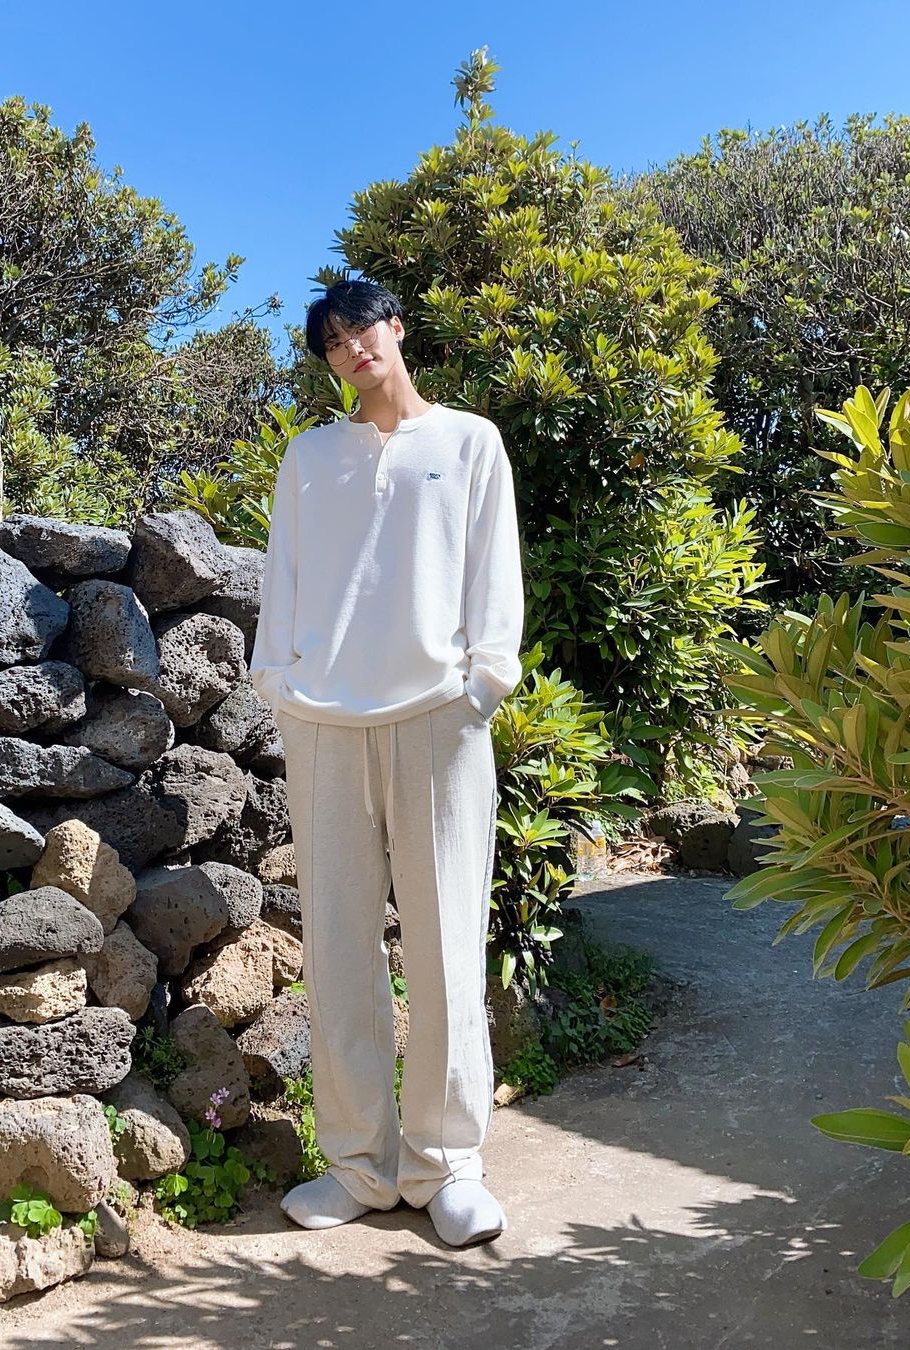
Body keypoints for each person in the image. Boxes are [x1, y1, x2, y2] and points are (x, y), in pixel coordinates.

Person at [248, 277, 525, 1247]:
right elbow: (282, 573)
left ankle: (447, 1166)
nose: (351, 348)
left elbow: (494, 571)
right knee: (336, 947)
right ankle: (360, 1167)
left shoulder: (469, 442)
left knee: (447, 945)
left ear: (396, 327)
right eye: (332, 341)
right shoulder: (311, 456)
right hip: (323, 724)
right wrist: (278, 685)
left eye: (360, 327)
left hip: (438, 720)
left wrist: (482, 684)